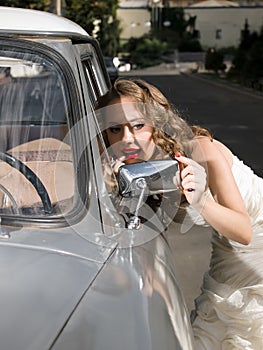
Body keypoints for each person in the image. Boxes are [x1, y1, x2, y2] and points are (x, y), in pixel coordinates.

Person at [95, 78, 263, 349]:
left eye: (138, 126)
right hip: (228, 253)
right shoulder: (137, 173)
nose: (127, 139)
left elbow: (243, 231)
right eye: (115, 129)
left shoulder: (199, 150)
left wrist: (201, 202)